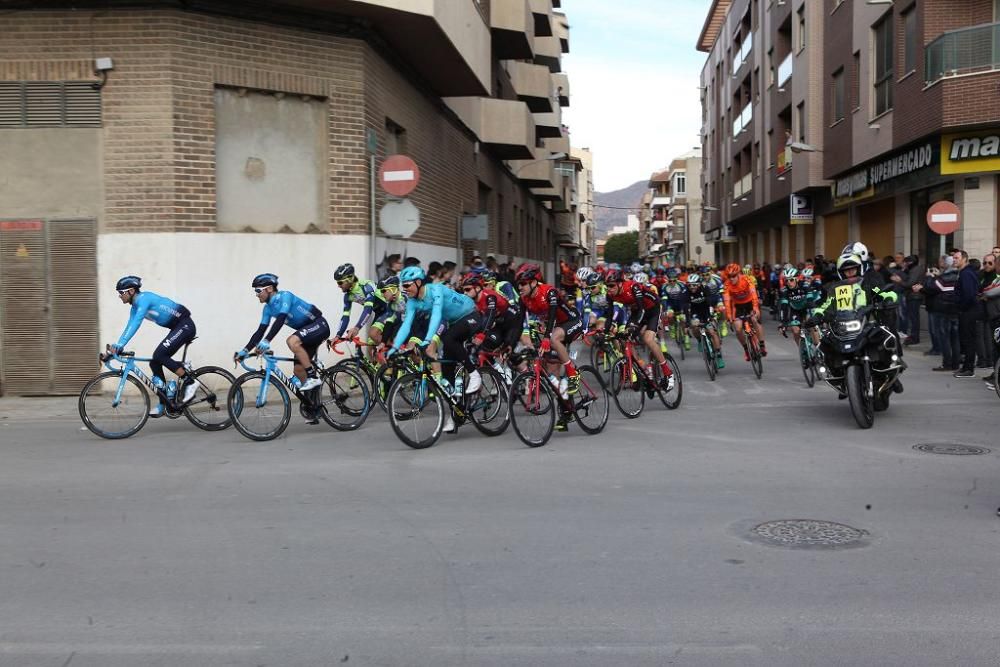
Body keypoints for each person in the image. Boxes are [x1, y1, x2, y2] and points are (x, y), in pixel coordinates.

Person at [808, 253, 902, 392]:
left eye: (853, 268)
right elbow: (825, 306)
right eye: (847, 270)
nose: (850, 272)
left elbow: (882, 293)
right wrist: (816, 315)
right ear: (841, 273)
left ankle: (891, 374)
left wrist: (889, 298)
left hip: (866, 323)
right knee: (824, 344)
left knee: (886, 336)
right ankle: (841, 378)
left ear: (859, 269)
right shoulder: (834, 290)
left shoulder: (867, 284)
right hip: (842, 327)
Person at [109, 276, 198, 417]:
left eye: (121, 292)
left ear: (131, 291)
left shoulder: (143, 299)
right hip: (177, 327)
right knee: (155, 363)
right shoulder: (135, 307)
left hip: (185, 325)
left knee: (159, 355)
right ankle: (164, 404)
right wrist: (118, 345)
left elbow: (137, 323)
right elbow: (129, 326)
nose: (120, 296)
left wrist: (120, 345)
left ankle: (190, 382)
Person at [235, 273, 329, 396]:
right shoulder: (267, 309)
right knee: (299, 370)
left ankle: (313, 377)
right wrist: (245, 350)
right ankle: (314, 404)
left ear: (269, 289)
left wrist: (267, 340)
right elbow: (260, 332)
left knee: (291, 341)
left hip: (319, 325)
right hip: (306, 335)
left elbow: (281, 318)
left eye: (258, 290)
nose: (256, 294)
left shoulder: (285, 296)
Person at [516, 263, 584, 396]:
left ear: (534, 282)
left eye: (523, 283)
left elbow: (552, 315)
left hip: (572, 321)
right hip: (554, 326)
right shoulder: (523, 299)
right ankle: (565, 402)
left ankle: (572, 373)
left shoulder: (549, 291)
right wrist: (509, 344)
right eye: (518, 283)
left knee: (553, 339)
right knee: (547, 359)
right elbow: (519, 323)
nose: (519, 287)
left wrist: (547, 337)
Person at [605, 268, 676, 390]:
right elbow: (610, 316)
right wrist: (605, 331)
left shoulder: (633, 287)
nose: (609, 289)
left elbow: (643, 309)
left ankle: (668, 373)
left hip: (652, 309)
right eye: (607, 286)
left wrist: (634, 326)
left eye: (611, 285)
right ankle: (641, 366)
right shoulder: (610, 295)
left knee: (648, 339)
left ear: (620, 283)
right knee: (623, 339)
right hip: (637, 311)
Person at [914, 256, 960, 371]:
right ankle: (955, 363)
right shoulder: (959, 276)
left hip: (944, 310)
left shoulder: (945, 277)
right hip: (956, 309)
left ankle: (947, 363)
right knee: (955, 338)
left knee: (945, 338)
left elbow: (932, 288)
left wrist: (923, 285)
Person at [461, 272, 520, 353]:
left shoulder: (489, 296)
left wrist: (482, 334)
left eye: (467, 289)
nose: (464, 293)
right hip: (499, 322)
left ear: (477, 288)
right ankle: (494, 365)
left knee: (505, 349)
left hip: (512, 321)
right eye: (463, 290)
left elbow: (490, 314)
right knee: (482, 347)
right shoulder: (474, 300)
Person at [332, 263, 387, 348]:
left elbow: (368, 309)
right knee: (371, 345)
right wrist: (338, 335)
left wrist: (357, 328)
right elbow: (345, 317)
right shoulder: (348, 296)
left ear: (349, 279)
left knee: (373, 334)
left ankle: (394, 355)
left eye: (340, 282)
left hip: (390, 309)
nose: (338, 286)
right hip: (379, 313)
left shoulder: (366, 286)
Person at [722, 262, 766, 360]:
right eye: (729, 276)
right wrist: (729, 316)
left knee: (754, 320)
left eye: (733, 276)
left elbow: (754, 295)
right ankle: (746, 349)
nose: (731, 278)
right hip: (738, 306)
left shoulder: (747, 279)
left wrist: (755, 308)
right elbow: (727, 302)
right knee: (738, 329)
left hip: (750, 303)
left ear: (738, 274)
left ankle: (762, 345)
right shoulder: (727, 285)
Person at [684, 273, 724, 369]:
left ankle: (719, 356)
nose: (692, 287)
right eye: (689, 285)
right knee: (694, 326)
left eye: (694, 285)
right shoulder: (686, 293)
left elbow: (711, 301)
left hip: (706, 311)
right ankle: (699, 340)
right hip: (695, 312)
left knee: (712, 332)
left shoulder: (705, 288)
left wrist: (712, 315)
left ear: (699, 284)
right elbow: (685, 309)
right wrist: (687, 325)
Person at [953, 250, 981, 378]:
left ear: (964, 259)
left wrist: (961, 307)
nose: (954, 260)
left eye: (957, 258)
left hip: (969, 311)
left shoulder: (966, 274)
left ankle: (969, 369)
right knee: (966, 340)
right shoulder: (963, 272)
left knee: (969, 340)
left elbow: (969, 295)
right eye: (953, 258)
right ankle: (966, 367)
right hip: (967, 310)